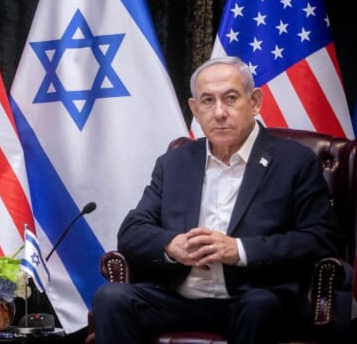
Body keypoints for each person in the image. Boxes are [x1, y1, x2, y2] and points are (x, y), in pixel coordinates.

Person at [91, 56, 342, 343]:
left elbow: (321, 238)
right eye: (208, 101)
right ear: (195, 110)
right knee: (111, 297)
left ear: (255, 102)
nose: (219, 112)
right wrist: (171, 246)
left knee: (259, 307)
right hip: (179, 298)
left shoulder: (294, 162)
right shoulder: (174, 163)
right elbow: (132, 232)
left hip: (253, 297)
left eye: (231, 98)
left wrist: (239, 250)